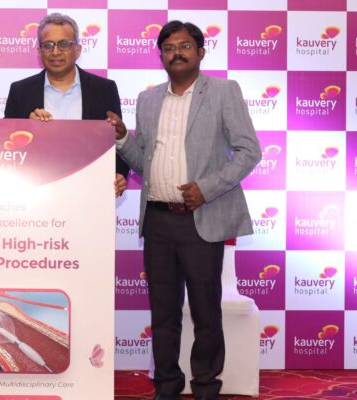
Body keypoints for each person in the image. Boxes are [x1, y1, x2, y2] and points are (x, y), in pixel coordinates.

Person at [110, 21, 261, 400]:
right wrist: (124, 139)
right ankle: (167, 386)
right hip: (158, 220)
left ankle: (206, 387)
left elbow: (249, 151)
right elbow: (143, 163)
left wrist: (206, 189)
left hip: (199, 221)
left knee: (206, 312)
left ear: (200, 51)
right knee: (163, 314)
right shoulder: (147, 99)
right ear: (161, 55)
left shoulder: (224, 91)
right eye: (168, 48)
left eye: (184, 46)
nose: (176, 53)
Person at [4, 12, 129, 197]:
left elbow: (116, 142)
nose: (55, 52)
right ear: (39, 51)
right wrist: (28, 127)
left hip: (89, 195)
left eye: (64, 44)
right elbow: (7, 148)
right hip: (35, 196)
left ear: (77, 49)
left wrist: (119, 174)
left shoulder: (105, 89)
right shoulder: (20, 91)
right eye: (48, 45)